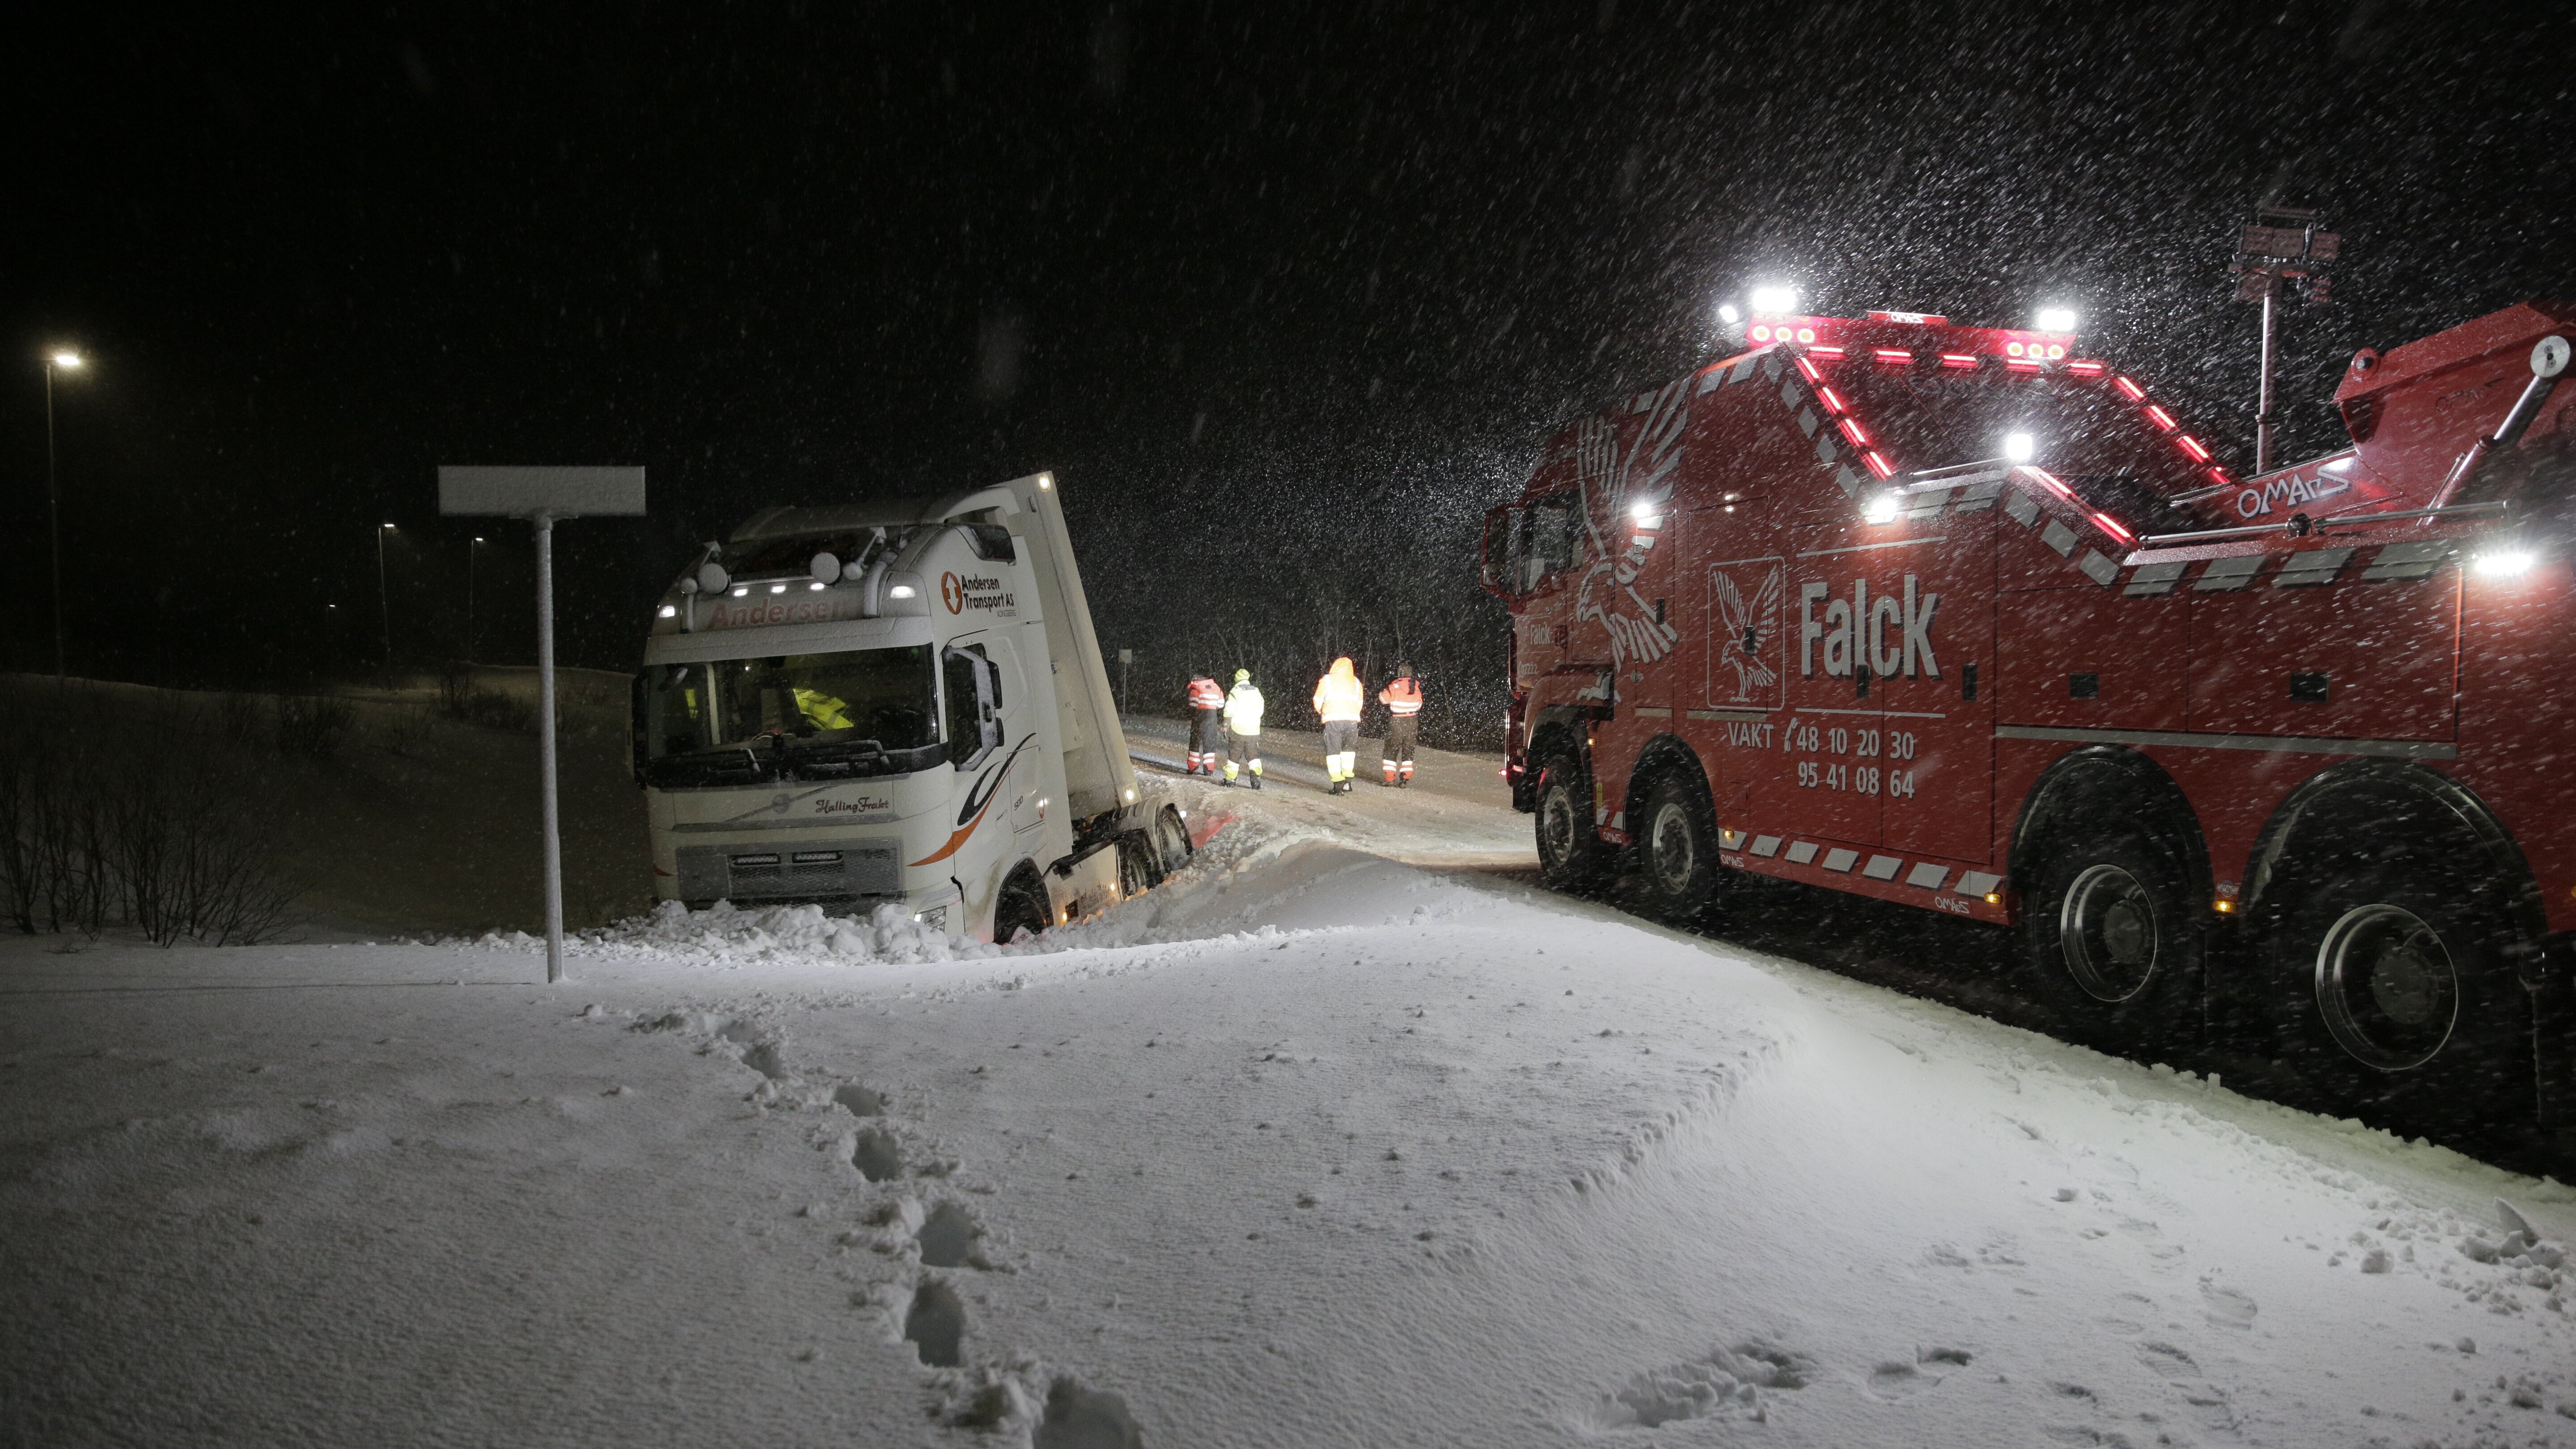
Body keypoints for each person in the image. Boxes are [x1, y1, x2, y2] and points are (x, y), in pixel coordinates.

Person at [1313, 656, 1363, 794]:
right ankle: (1348, 782)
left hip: (1334, 720)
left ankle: (1338, 785)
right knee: (1348, 752)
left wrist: (1322, 712)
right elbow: (1360, 703)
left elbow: (1317, 700)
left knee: (1333, 752)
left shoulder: (1328, 680)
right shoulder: (1357, 682)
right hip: (1352, 720)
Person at [1378, 661, 1422, 787]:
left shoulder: (1394, 686)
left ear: (1400, 673)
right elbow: (1419, 705)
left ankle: (1390, 779)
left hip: (1397, 721)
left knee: (1391, 749)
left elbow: (1383, 700)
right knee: (1409, 749)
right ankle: (1405, 779)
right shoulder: (1416, 687)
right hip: (1413, 721)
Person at [1221, 668, 1265, 789]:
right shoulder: (1256, 691)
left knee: (1234, 756)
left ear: (1237, 679)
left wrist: (1225, 726)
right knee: (1253, 756)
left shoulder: (1235, 691)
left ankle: (1230, 780)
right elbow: (1261, 709)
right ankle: (1256, 780)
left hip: (1238, 730)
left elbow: (1229, 710)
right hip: (1253, 730)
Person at [1185, 669, 1225, 775]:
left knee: (1195, 742)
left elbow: (1193, 704)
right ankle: (1209, 769)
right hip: (1212, 717)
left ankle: (1193, 768)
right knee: (1210, 742)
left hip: (1199, 716)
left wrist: (1191, 717)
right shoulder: (1216, 687)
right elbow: (1221, 704)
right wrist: (1212, 708)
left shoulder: (1196, 686)